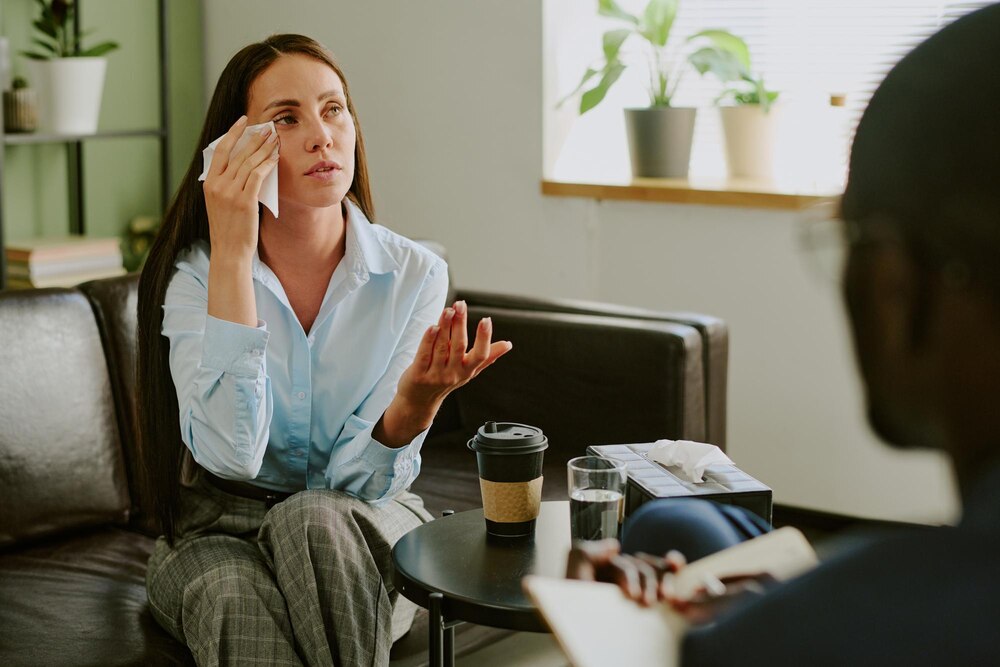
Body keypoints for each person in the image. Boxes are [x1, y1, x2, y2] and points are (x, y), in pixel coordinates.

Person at [569, 4, 1000, 664]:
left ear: (893, 284)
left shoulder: (792, 638)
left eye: (848, 240)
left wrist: (604, 636)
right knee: (667, 519)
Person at [136, 34, 511, 666]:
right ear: (235, 148)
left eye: (334, 109)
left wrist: (416, 404)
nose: (321, 134)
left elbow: (354, 483)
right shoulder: (195, 278)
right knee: (232, 595)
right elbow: (229, 454)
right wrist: (232, 251)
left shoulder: (415, 274)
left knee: (311, 519)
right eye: (287, 118)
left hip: (362, 521)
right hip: (216, 532)